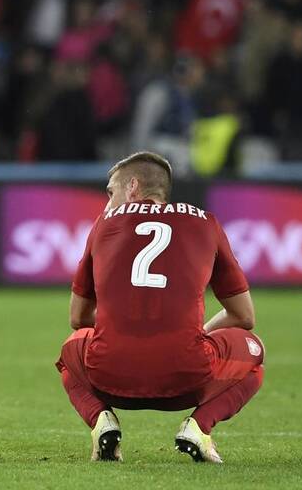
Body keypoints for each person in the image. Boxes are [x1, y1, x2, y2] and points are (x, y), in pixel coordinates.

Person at [56, 151, 264, 463]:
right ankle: (199, 427)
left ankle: (102, 421)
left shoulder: (102, 225)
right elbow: (243, 316)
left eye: (110, 193)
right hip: (187, 377)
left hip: (111, 376)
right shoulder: (207, 223)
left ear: (132, 188)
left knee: (70, 350)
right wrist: (200, 334)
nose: (107, 204)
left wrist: (120, 323)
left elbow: (78, 317)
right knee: (254, 352)